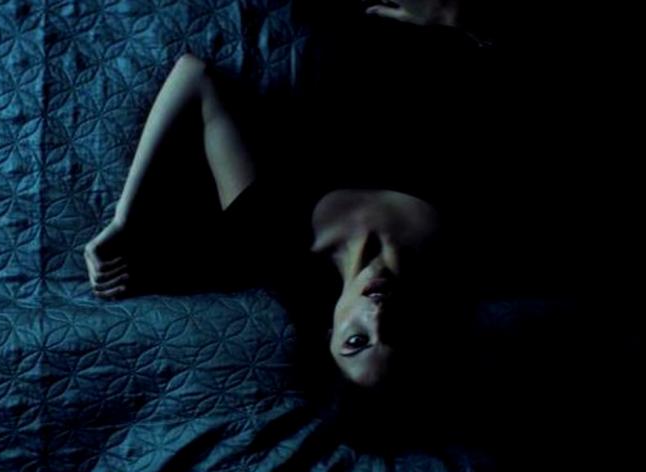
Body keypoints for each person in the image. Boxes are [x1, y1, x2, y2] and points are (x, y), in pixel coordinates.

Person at [83, 52, 466, 389]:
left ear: (329, 333)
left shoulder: (268, 234)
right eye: (396, 337)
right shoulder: (463, 249)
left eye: (356, 340)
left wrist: (124, 218)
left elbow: (194, 75)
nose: (377, 317)